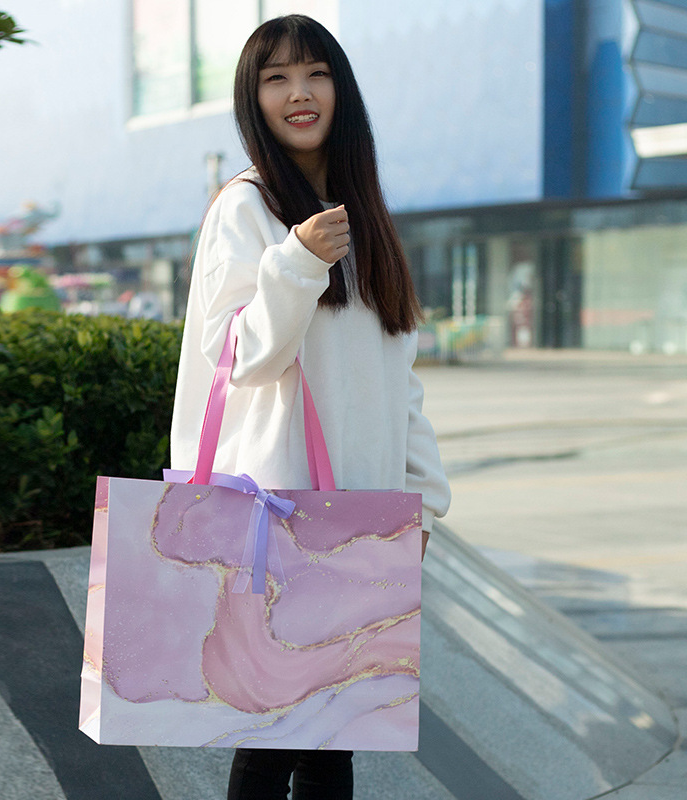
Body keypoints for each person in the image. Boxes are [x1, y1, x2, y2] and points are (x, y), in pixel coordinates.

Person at [169, 14, 451, 800]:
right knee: (273, 734)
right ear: (252, 98)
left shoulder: (363, 211)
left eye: (316, 73)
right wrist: (295, 263)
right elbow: (243, 357)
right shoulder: (247, 206)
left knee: (338, 734)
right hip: (276, 511)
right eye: (276, 78)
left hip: (360, 516)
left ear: (342, 89)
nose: (299, 93)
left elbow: (402, 376)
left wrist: (422, 504)